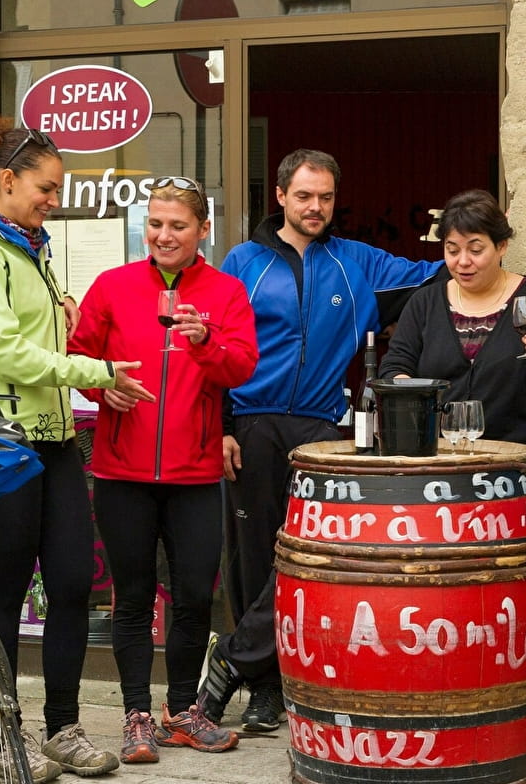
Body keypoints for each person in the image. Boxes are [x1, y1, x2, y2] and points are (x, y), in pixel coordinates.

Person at [0, 115, 152, 783]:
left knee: (73, 582)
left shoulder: (24, 247)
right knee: (6, 592)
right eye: (46, 188)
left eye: (57, 189)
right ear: (7, 181)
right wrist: (98, 371)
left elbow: (28, 335)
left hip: (51, 440)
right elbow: (4, 353)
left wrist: (60, 313)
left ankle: (63, 731)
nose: (54, 199)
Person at [202, 149, 443, 732]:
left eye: (327, 197)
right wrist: (223, 428)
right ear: (280, 196)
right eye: (305, 196)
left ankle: (236, 661)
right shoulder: (243, 262)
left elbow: (439, 274)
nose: (316, 207)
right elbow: (213, 351)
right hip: (252, 422)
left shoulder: (356, 261)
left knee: (306, 560)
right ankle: (266, 690)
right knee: (255, 559)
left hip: (321, 428)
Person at [69, 176, 258, 764]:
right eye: (155, 224)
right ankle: (135, 716)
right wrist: (106, 387)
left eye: (177, 226)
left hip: (196, 474)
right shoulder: (113, 285)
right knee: (131, 598)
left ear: (202, 231)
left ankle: (183, 711)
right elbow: (76, 356)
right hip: (123, 472)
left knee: (196, 595)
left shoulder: (226, 292)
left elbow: (243, 368)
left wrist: (204, 342)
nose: (163, 235)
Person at [379, 189, 526, 524]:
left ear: (502, 246)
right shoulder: (425, 303)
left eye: (475, 249)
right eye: (452, 250)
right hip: (442, 484)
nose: (462, 262)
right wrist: (413, 395)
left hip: (521, 482)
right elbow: (394, 367)